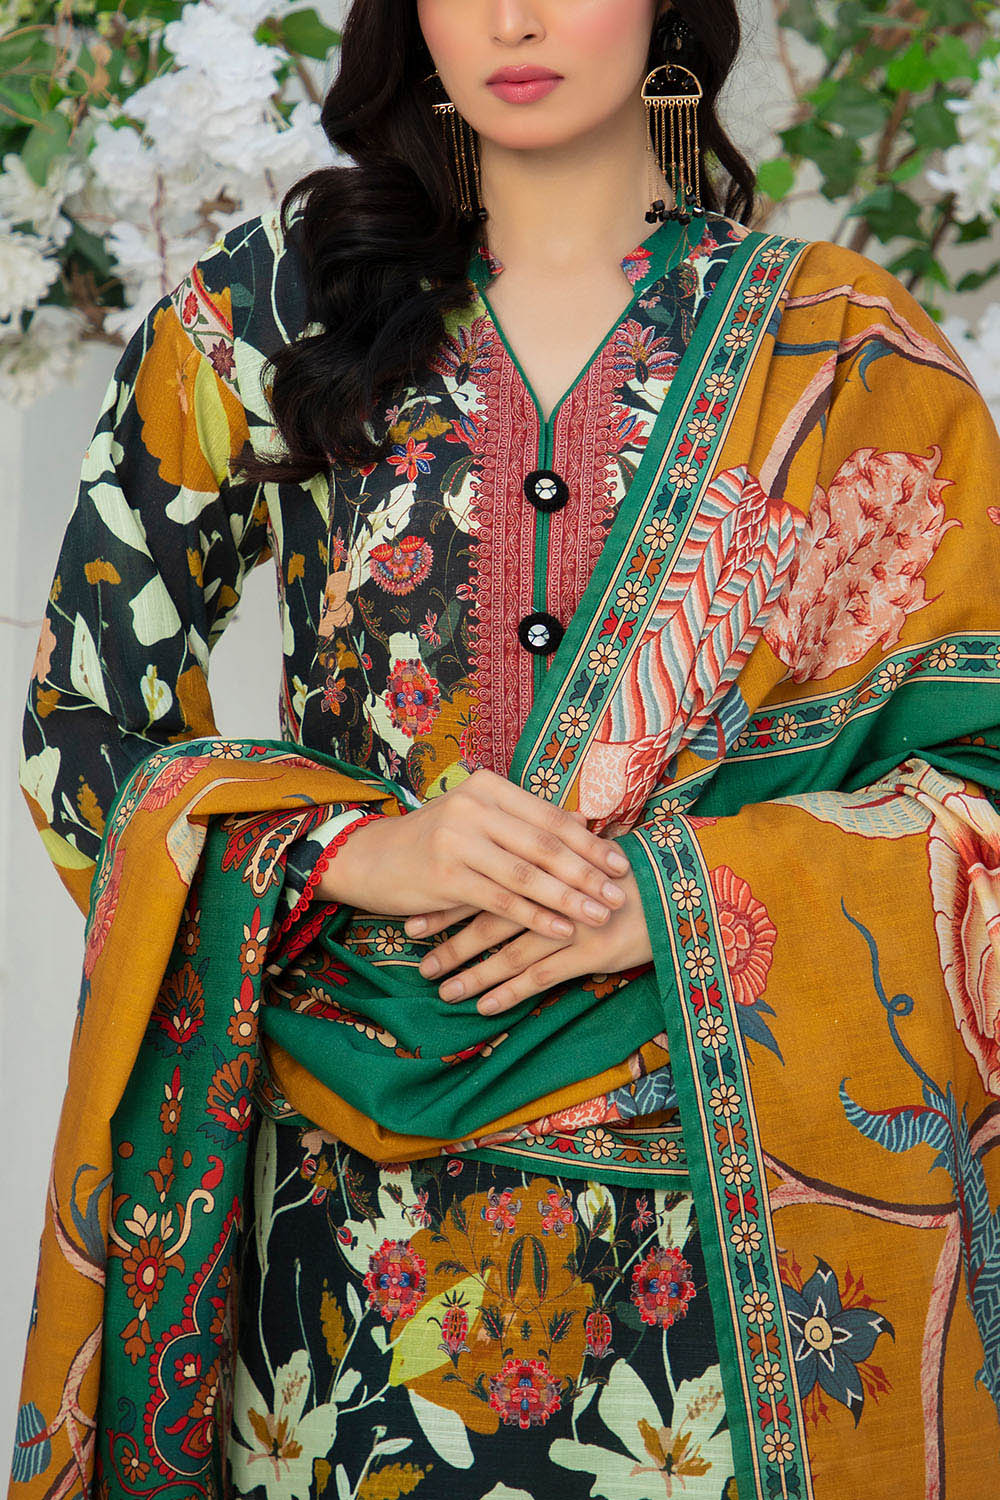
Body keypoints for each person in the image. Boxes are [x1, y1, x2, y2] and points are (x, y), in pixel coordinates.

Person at [11, 1, 1000, 1497]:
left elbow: (977, 782)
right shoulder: (281, 311)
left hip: (720, 1277)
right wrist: (350, 852)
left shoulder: (844, 350)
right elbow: (82, 726)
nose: (514, 18)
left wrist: (677, 899)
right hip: (341, 1257)